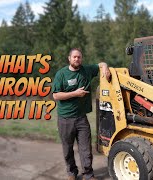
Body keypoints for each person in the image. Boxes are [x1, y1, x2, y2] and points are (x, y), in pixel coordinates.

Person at [52, 48, 110, 180]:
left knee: (86, 149)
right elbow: (56, 95)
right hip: (65, 119)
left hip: (81, 118)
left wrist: (105, 68)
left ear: (81, 59)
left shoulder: (86, 70)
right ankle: (72, 173)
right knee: (67, 149)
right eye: (74, 57)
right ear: (69, 58)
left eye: (79, 57)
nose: (77, 59)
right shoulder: (61, 74)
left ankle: (88, 175)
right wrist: (75, 93)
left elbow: (101, 64)